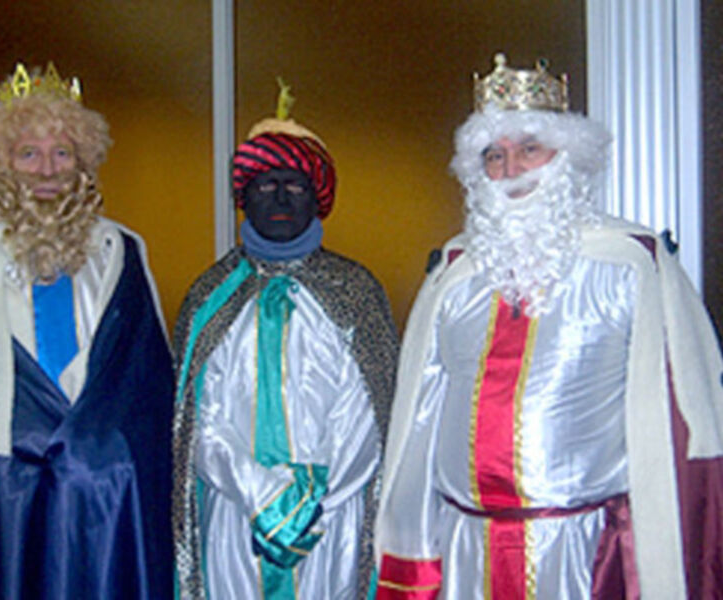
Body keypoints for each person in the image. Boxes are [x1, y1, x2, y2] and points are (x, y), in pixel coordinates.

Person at [374, 54, 723, 599]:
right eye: (494, 155)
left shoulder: (630, 266)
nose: (511, 170)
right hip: (468, 545)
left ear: (567, 157)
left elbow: (687, 418)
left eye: (529, 149)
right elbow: (417, 424)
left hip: (583, 552)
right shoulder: (453, 278)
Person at [0, 63, 173, 599]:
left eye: (62, 153)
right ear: (1, 164)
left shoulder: (122, 253)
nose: (46, 172)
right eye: (28, 154)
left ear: (84, 162)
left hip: (104, 505)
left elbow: (147, 390)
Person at [173, 82, 399, 599]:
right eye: (264, 184)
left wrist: (308, 502)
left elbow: (371, 415)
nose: (278, 197)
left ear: (317, 197)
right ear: (243, 197)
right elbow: (197, 420)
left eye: (294, 185)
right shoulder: (210, 295)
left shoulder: (357, 291)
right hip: (235, 519)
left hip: (330, 524)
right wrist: (263, 496)